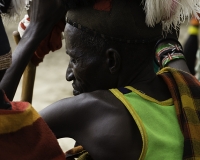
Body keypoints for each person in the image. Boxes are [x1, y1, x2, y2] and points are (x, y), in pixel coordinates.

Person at [0, 0, 200, 160]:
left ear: (112, 60)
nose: (68, 74)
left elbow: (4, 124)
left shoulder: (95, 111)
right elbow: (170, 47)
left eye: (74, 59)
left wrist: (35, 31)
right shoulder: (185, 87)